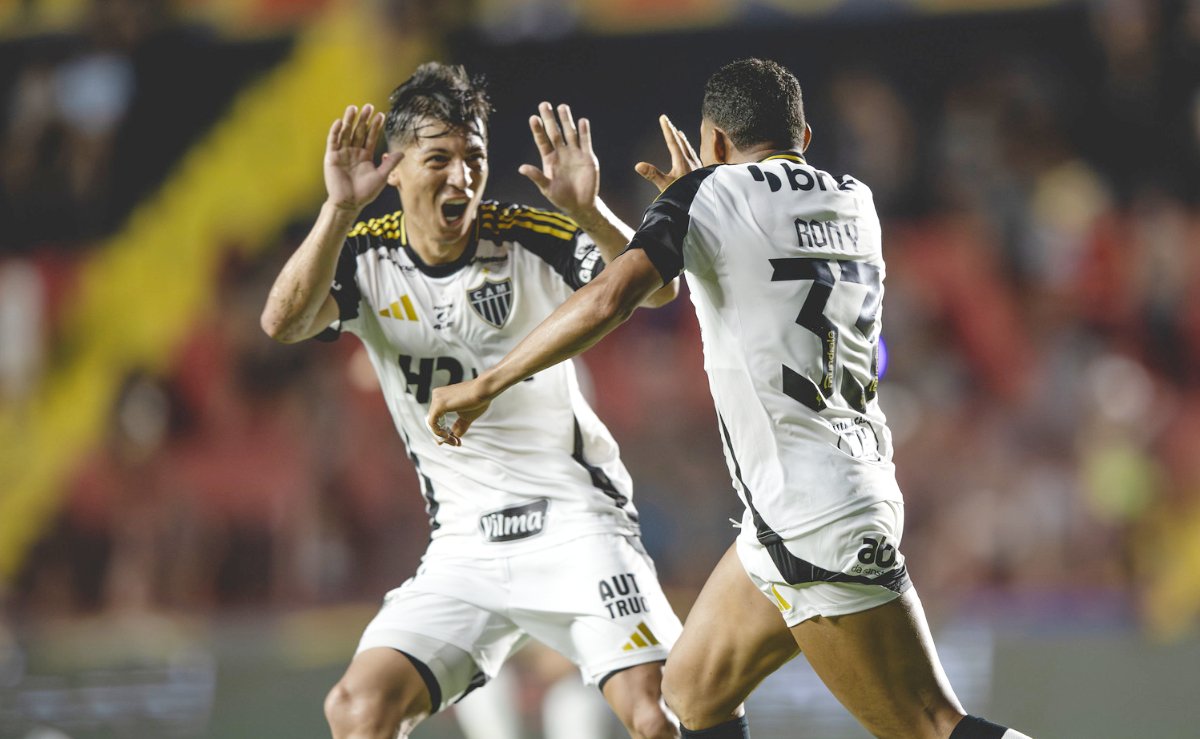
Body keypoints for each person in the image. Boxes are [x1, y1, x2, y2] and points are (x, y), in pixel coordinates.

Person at [427, 58, 1034, 739]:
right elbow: (667, 282)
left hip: (810, 515)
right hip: (811, 502)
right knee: (691, 693)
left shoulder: (709, 197)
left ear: (713, 142)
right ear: (802, 134)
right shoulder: (853, 199)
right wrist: (645, 207)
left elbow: (615, 295)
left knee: (928, 725)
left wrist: (489, 381)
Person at [260, 62, 684, 739]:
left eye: (474, 157)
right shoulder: (363, 256)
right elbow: (281, 323)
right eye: (439, 158)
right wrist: (338, 210)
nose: (461, 176)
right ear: (392, 169)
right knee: (357, 708)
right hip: (464, 548)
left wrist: (588, 212)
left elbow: (655, 289)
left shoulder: (524, 236)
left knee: (658, 715)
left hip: (577, 524)